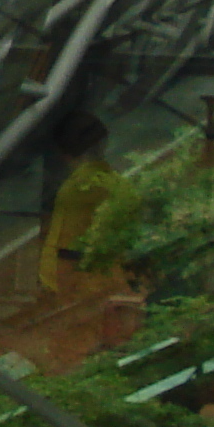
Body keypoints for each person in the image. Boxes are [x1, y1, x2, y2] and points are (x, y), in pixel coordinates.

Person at [38, 109, 137, 296]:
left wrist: (62, 293)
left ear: (64, 152)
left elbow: (68, 251)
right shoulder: (121, 185)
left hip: (81, 289)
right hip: (113, 281)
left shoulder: (77, 189)